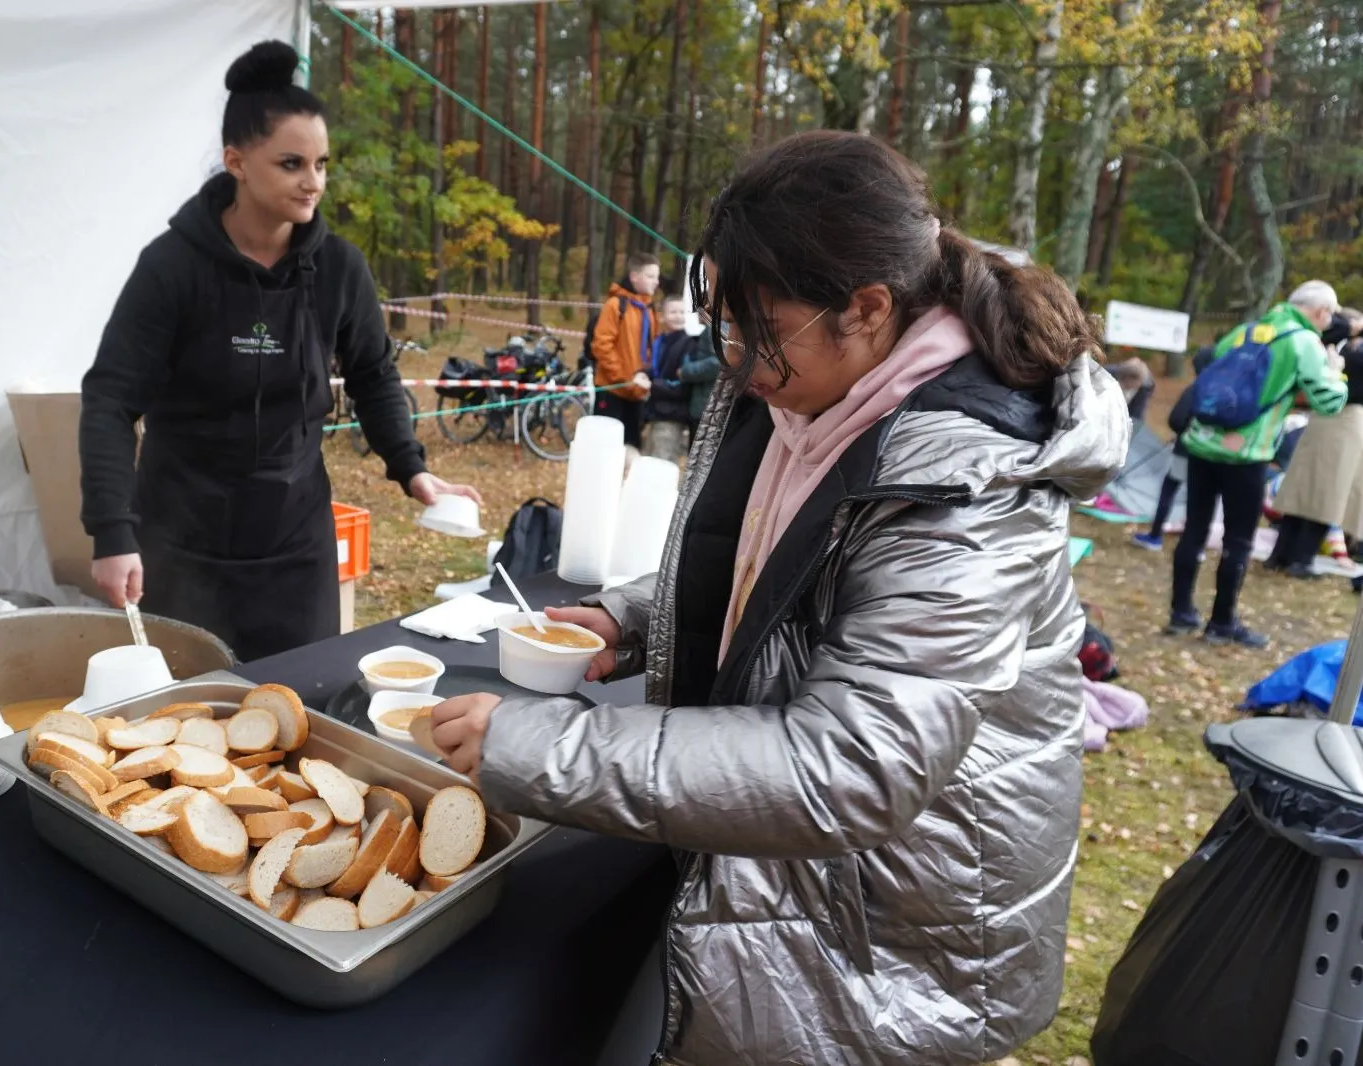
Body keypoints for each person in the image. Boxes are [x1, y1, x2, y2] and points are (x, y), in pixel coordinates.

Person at [430, 131, 1129, 1065]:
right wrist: (637, 616)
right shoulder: (808, 379)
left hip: (901, 922)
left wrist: (534, 743)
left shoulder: (970, 490)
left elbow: (853, 763)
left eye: (755, 330)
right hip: (804, 880)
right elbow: (776, 567)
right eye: (721, 321)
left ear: (869, 308)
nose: (734, 357)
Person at [78, 41, 477, 661]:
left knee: (299, 711)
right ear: (235, 161)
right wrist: (111, 531)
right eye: (291, 163)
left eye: (322, 163)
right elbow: (108, 399)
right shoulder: (172, 267)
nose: (312, 181)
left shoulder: (340, 268)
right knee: (185, 724)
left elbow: (373, 374)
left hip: (296, 546)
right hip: (182, 546)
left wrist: (412, 468)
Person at [1168, 280, 1348, 647]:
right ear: (1321, 312)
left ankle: (1181, 613)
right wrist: (1336, 371)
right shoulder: (1304, 342)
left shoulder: (1246, 330)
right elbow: (1329, 402)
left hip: (1203, 442)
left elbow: (1209, 366)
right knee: (1238, 539)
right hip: (1247, 453)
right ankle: (1221, 623)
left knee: (1195, 529)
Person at [1267, 308, 1363, 577]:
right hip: (1326, 416)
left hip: (1348, 419)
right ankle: (1284, 556)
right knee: (1305, 487)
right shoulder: (1335, 340)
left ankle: (1299, 557)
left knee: (1327, 492)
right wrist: (1351, 328)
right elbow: (1330, 330)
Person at [1132, 344, 1216, 551]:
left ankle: (1155, 536)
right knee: (1203, 499)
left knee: (1170, 490)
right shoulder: (1226, 389)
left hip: (1187, 451)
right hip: (1214, 455)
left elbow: (1177, 419)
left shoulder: (1196, 388)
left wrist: (1182, 432)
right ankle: (1197, 544)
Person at [588, 252, 662, 451]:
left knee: (631, 448)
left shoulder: (650, 309)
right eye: (650, 276)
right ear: (634, 276)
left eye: (657, 277)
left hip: (637, 393)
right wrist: (625, 378)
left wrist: (646, 377)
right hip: (613, 390)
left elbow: (652, 347)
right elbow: (602, 346)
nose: (656, 282)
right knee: (606, 449)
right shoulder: (615, 306)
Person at [640, 295, 704, 461]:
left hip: (672, 415)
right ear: (662, 316)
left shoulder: (690, 344)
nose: (678, 316)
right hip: (655, 412)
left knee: (662, 462)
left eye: (682, 312)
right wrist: (642, 374)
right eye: (673, 312)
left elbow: (683, 386)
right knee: (648, 459)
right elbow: (657, 371)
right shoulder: (660, 341)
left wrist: (652, 385)